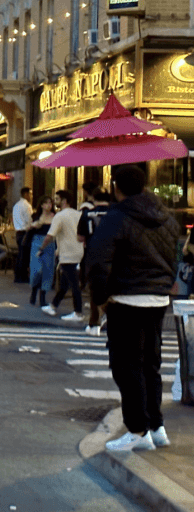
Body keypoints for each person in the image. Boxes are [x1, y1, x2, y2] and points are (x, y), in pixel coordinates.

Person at [86, 165, 179, 452]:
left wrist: (101, 298)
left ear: (116, 187)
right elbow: (173, 253)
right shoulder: (166, 217)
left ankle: (138, 430)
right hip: (158, 298)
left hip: (126, 298)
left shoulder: (117, 216)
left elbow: (98, 260)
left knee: (127, 366)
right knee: (151, 364)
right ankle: (156, 425)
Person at [41, 189, 85, 321]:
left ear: (64, 201)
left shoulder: (59, 216)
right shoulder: (78, 214)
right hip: (78, 251)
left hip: (67, 253)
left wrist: (41, 248)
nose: (55, 202)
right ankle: (53, 306)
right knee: (65, 283)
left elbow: (50, 235)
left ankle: (78, 312)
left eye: (57, 199)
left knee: (73, 284)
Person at [78, 188, 112, 335]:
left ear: (94, 199)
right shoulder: (116, 213)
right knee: (114, 289)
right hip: (113, 256)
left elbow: (80, 238)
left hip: (93, 255)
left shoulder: (86, 214)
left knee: (94, 289)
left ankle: (94, 323)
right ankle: (111, 317)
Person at [26, 196, 57, 307]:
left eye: (50, 203)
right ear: (41, 205)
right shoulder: (36, 216)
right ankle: (34, 291)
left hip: (50, 244)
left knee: (47, 270)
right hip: (37, 242)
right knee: (36, 269)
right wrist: (34, 224)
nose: (48, 205)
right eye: (46, 203)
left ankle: (42, 296)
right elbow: (27, 228)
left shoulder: (55, 217)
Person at [11, 187, 33, 283]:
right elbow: (30, 220)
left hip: (18, 232)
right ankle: (22, 276)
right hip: (25, 232)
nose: (31, 196)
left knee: (21, 254)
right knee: (24, 255)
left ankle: (18, 275)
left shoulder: (16, 205)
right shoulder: (26, 206)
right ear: (26, 194)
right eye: (30, 194)